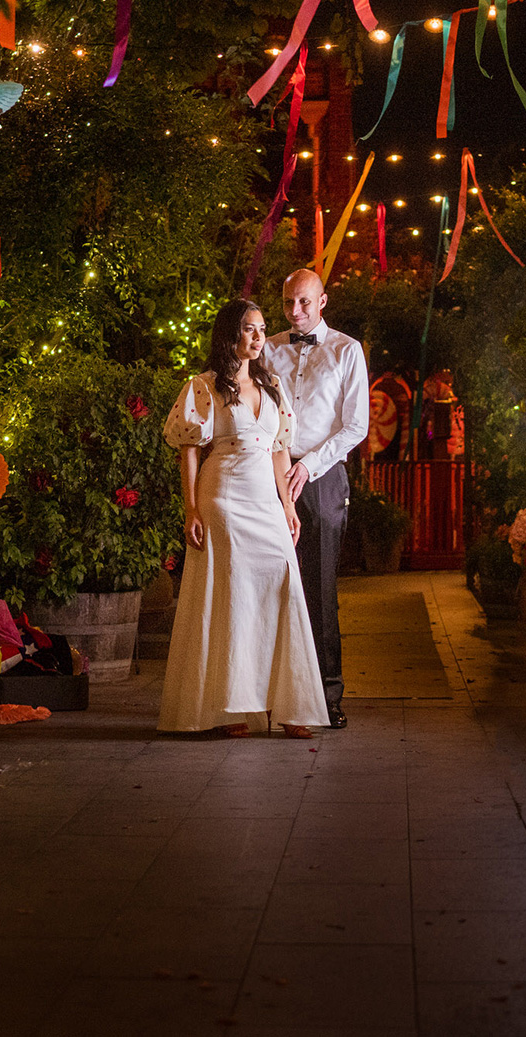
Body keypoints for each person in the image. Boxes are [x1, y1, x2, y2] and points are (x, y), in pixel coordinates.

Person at [159, 299, 329, 738]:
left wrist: (288, 506)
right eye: (250, 330)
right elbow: (190, 450)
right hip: (224, 497)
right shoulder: (204, 385)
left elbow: (279, 449)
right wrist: (191, 508)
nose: (258, 337)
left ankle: (291, 706)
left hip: (265, 501)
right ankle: (231, 707)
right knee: (233, 597)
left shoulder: (272, 384)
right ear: (229, 334)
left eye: (261, 329)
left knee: (285, 588)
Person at [263, 269, 370, 730]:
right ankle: (268, 693)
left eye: (305, 303)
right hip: (270, 472)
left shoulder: (347, 350)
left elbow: (356, 425)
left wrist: (308, 465)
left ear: (323, 301)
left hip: (322, 474)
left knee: (321, 587)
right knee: (268, 584)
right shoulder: (267, 350)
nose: (296, 312)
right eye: (289, 303)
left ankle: (327, 695)